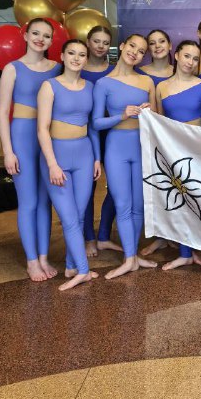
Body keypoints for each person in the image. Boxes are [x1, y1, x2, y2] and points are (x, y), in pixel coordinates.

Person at [0, 18, 61, 281]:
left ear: (51, 40)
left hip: (49, 138)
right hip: (22, 137)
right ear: (25, 35)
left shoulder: (57, 68)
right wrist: (8, 151)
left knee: (45, 201)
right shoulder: (12, 69)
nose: (40, 39)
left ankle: (44, 257)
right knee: (29, 202)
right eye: (35, 33)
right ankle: (31, 261)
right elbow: (2, 113)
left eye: (46, 36)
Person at [92, 34, 158, 279]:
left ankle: (134, 256)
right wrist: (121, 115)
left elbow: (157, 120)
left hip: (141, 147)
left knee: (139, 205)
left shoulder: (147, 81)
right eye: (132, 46)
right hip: (116, 148)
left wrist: (149, 113)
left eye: (141, 51)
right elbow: (96, 123)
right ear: (121, 46)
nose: (135, 53)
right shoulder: (103, 84)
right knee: (123, 204)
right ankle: (129, 258)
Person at [37, 39, 101, 290]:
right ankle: (83, 270)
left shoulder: (90, 87)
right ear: (62, 56)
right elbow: (42, 129)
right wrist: (52, 164)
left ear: (86, 59)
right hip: (57, 157)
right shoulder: (49, 86)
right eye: (72, 53)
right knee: (70, 218)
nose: (76, 58)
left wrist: (96, 158)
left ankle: (71, 266)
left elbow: (92, 126)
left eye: (81, 54)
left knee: (80, 214)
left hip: (84, 155)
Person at [151, 40, 201, 269]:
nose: (191, 62)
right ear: (176, 55)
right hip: (170, 150)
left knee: (193, 202)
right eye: (187, 56)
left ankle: (191, 249)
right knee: (177, 202)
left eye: (195, 59)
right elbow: (158, 122)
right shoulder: (161, 87)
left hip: (194, 150)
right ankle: (184, 252)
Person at [81, 25, 119, 258]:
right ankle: (88, 237)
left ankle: (104, 234)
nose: (101, 46)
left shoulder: (115, 72)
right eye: (96, 41)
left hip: (112, 134)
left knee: (117, 187)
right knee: (87, 188)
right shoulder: (76, 68)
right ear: (88, 41)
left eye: (105, 42)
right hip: (85, 135)